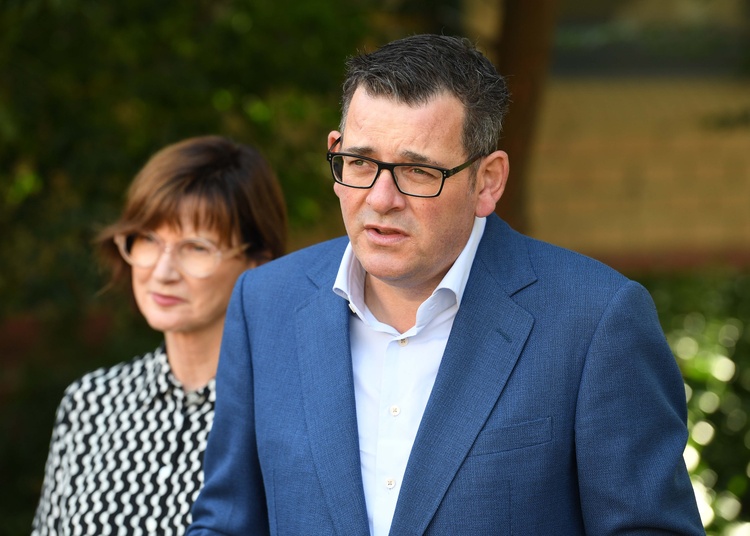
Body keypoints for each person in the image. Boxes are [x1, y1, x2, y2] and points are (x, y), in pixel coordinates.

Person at [187, 35, 703, 535]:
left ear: (488, 181)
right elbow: (227, 524)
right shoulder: (264, 304)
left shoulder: (595, 319)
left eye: (417, 171)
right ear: (336, 151)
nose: (381, 198)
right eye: (361, 162)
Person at [32, 135, 287, 535]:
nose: (163, 272)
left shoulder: (286, 414)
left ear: (258, 262)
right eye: (148, 239)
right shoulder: (89, 403)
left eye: (196, 247)